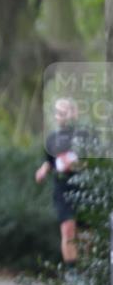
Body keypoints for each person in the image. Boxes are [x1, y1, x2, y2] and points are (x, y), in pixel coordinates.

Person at [35, 97, 89, 267]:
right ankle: (72, 273)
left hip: (84, 188)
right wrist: (43, 170)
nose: (60, 116)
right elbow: (50, 162)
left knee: (86, 235)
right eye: (58, 112)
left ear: (74, 114)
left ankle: (88, 271)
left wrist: (75, 165)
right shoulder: (52, 138)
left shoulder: (85, 136)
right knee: (67, 229)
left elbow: (93, 163)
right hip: (62, 188)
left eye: (64, 112)